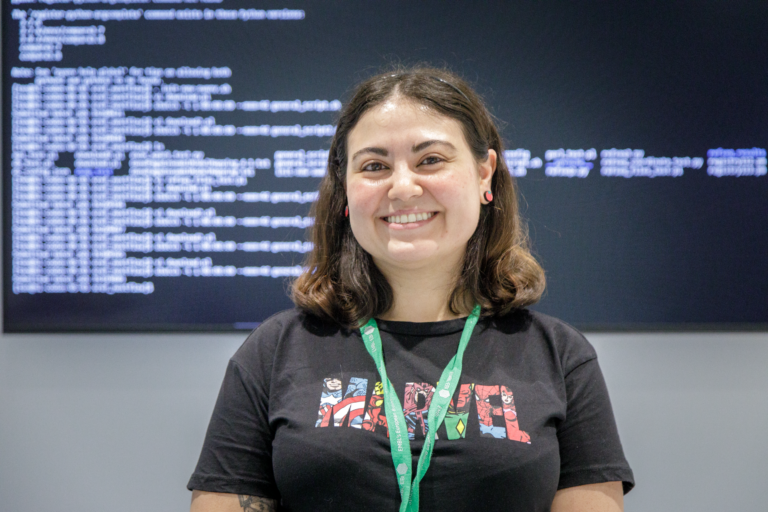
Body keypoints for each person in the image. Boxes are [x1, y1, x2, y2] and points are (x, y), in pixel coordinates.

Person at [188, 66, 634, 512]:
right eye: (375, 166)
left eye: (431, 160)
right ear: (345, 190)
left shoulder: (559, 355)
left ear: (485, 175)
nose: (402, 187)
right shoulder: (275, 350)